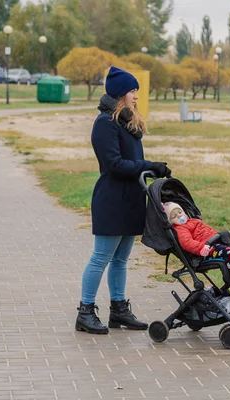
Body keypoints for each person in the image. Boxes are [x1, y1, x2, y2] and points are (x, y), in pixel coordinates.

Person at [76, 66, 171, 335]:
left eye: (136, 91)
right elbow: (115, 164)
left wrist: (150, 169)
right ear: (119, 94)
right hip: (111, 200)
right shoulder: (104, 124)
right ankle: (85, 311)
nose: (136, 96)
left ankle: (118, 310)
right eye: (132, 91)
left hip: (131, 199)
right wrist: (148, 165)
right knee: (101, 258)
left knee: (121, 260)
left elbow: (132, 162)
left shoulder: (127, 123)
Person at [163, 202, 230, 287]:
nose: (178, 216)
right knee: (228, 252)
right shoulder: (181, 230)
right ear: (171, 222)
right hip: (206, 251)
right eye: (174, 216)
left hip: (217, 242)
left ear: (184, 212)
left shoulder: (194, 221)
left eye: (179, 212)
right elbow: (187, 243)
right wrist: (201, 248)